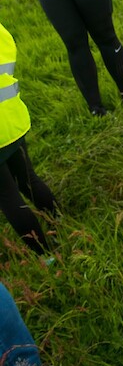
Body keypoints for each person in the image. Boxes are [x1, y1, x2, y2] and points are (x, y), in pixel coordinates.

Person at [0, 20, 58, 255]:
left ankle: (48, 258)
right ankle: (62, 224)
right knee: (28, 179)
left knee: (7, 197)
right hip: (9, 116)